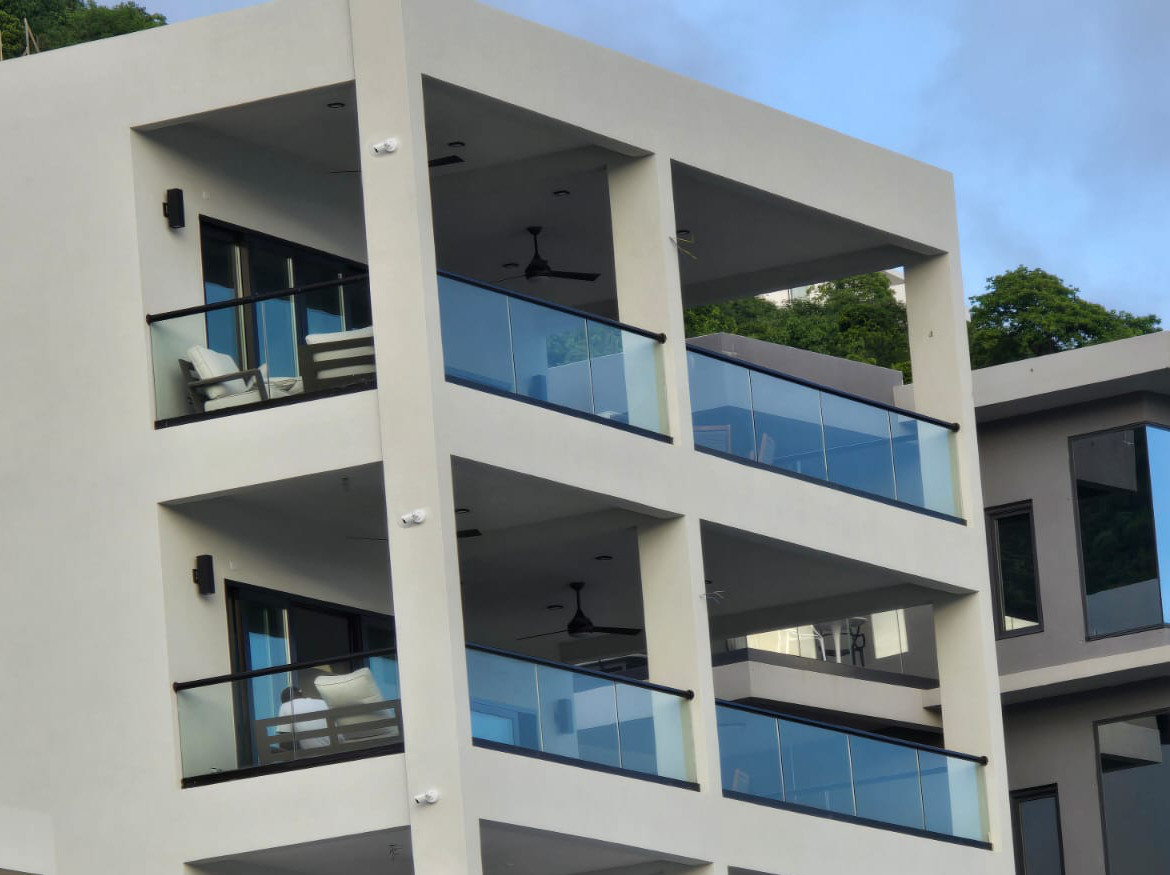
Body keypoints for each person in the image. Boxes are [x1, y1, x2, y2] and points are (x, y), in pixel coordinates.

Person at [276, 686, 331, 750]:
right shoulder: (322, 702)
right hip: (338, 748)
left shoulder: (285, 706)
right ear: (301, 694)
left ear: (284, 700)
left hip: (316, 753)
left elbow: (285, 743)